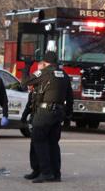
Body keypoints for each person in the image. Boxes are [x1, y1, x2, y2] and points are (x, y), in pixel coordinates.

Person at [25, 52, 73, 183]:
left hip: (44, 113)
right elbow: (70, 96)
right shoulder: (64, 75)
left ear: (45, 63)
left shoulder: (45, 72)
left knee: (39, 141)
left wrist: (27, 66)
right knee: (53, 144)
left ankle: (45, 172)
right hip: (58, 113)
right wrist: (68, 114)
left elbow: (26, 81)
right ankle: (56, 174)